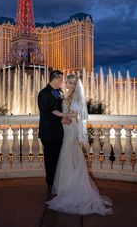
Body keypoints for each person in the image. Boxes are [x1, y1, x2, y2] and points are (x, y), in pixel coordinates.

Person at [45, 74, 113, 216]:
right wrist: (63, 116)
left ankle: (69, 188)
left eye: (68, 82)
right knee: (70, 156)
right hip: (67, 128)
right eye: (66, 82)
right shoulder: (67, 95)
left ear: (74, 84)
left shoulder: (75, 97)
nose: (65, 84)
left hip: (71, 130)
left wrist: (61, 115)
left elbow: (75, 114)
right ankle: (67, 187)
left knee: (67, 154)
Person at [38, 70, 72, 194]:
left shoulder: (59, 92)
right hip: (48, 133)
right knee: (50, 159)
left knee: (58, 159)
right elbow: (46, 113)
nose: (62, 82)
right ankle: (51, 183)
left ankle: (58, 182)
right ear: (55, 79)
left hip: (59, 133)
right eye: (61, 80)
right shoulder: (43, 93)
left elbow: (59, 108)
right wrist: (62, 120)